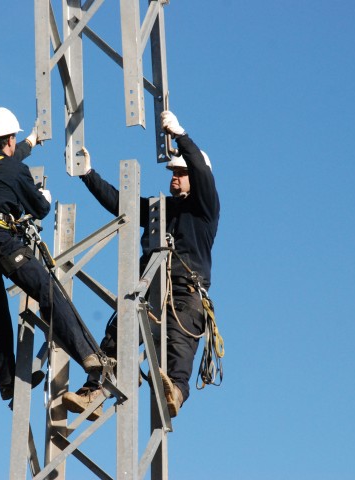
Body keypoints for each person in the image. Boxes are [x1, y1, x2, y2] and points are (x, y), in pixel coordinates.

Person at [61, 110, 220, 418]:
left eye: (181, 172)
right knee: (116, 338)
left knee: (179, 348)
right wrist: (88, 174)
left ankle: (174, 391)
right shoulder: (161, 209)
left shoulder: (205, 207)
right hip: (148, 290)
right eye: (173, 172)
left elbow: (200, 170)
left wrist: (180, 135)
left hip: (185, 295)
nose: (175, 176)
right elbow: (121, 203)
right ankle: (94, 391)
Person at [0, 107, 108, 401]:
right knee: (47, 291)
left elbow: (4, 163)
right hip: (0, 242)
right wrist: (44, 197)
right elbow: (39, 208)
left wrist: (31, 142)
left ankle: (7, 383)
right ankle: (88, 355)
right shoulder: (15, 170)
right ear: (9, 138)